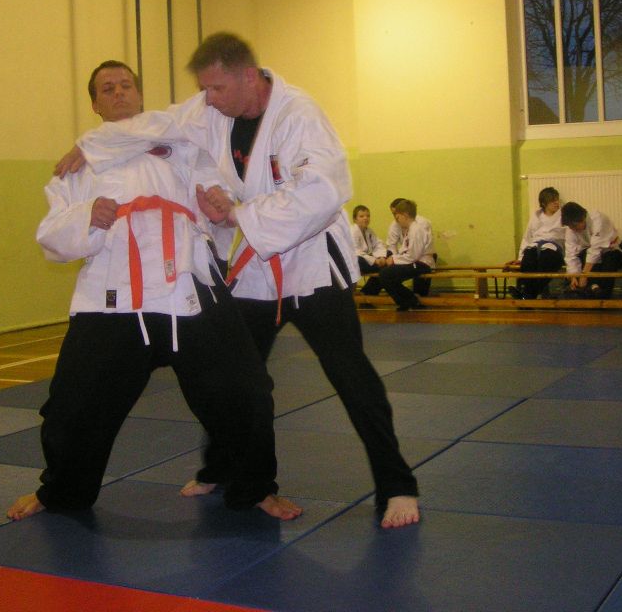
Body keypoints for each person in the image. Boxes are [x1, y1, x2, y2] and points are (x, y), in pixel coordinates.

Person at [57, 34, 420, 528]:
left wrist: (238, 213)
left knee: (350, 375)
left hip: (312, 265)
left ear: (249, 77)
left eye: (216, 88)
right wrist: (90, 144)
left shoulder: (299, 115)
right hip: (255, 268)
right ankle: (220, 467)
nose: (207, 99)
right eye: (203, 89)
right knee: (230, 378)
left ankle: (397, 485)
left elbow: (321, 193)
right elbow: (159, 123)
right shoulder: (211, 108)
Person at [8, 60, 301, 523]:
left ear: (140, 95)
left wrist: (218, 207)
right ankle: (62, 491)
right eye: (108, 88)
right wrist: (87, 218)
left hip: (188, 287)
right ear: (95, 104)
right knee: (72, 406)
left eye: (126, 85)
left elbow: (217, 199)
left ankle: (254, 488)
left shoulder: (183, 144)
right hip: (114, 297)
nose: (119, 93)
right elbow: (52, 238)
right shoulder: (77, 168)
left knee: (244, 390)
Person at [378, 199, 436, 311]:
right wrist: (393, 258)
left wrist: (394, 260)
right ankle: (409, 300)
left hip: (423, 264)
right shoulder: (410, 229)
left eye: (398, 217)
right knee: (386, 274)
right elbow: (404, 250)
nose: (397, 220)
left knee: (386, 274)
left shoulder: (417, 229)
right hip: (416, 262)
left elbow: (413, 256)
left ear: (405, 215)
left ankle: (410, 300)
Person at [560, 201, 622, 298]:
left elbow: (595, 249)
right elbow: (570, 254)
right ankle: (591, 291)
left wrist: (584, 275)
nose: (572, 229)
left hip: (611, 250)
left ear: (582, 218)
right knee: (582, 258)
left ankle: (604, 296)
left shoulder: (598, 219)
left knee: (609, 261)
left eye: (574, 226)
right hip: (589, 251)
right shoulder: (570, 229)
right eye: (570, 226)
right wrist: (574, 276)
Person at [509, 186, 563, 300]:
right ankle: (526, 293)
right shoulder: (536, 217)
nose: (556, 203)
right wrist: (520, 257)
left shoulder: (562, 216)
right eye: (552, 201)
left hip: (553, 247)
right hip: (535, 245)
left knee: (545, 259)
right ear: (544, 203)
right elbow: (527, 237)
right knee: (528, 258)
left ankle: (527, 295)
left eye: (557, 200)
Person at [351, 204, 387, 296]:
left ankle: (367, 292)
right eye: (361, 216)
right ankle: (368, 292)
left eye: (368, 216)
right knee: (386, 270)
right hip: (355, 262)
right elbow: (356, 251)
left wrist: (381, 257)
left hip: (367, 259)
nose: (365, 218)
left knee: (388, 259)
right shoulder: (352, 231)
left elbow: (378, 244)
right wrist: (375, 260)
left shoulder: (368, 231)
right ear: (355, 219)